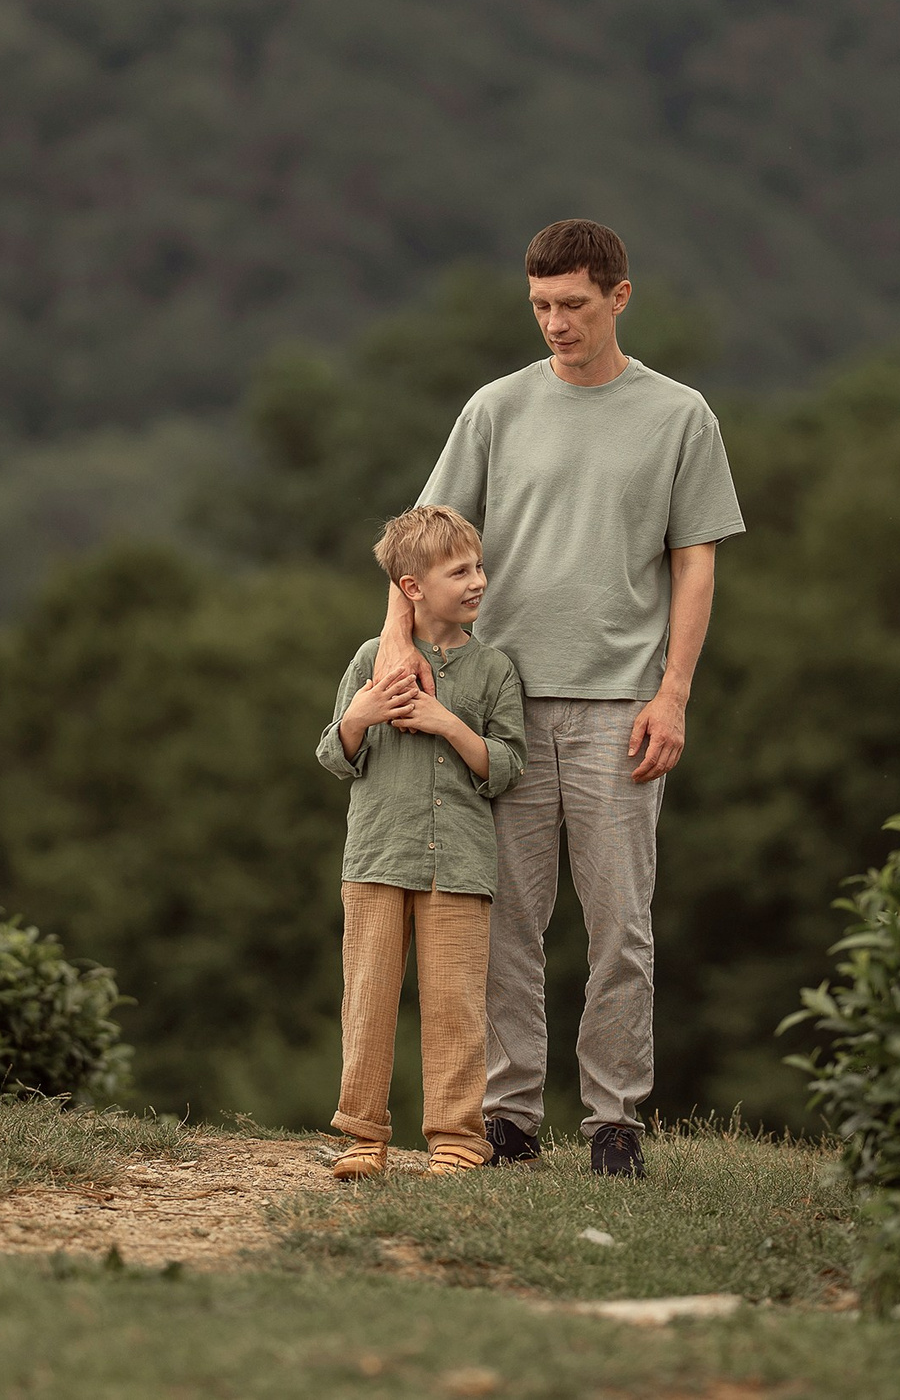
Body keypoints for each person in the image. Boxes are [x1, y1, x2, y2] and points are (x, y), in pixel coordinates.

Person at [374, 218, 743, 1179]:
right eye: (540, 305)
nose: (554, 323)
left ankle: (615, 1122)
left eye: (572, 304)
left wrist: (674, 693)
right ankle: (508, 1119)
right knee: (505, 924)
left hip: (624, 707)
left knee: (621, 925)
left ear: (619, 297)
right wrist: (396, 640)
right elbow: (419, 540)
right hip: (499, 707)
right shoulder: (495, 408)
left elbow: (695, 565)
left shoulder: (680, 416)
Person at [314, 505, 527, 1178]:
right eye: (459, 571)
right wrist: (360, 715)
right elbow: (334, 754)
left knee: (456, 1007)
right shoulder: (370, 659)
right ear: (412, 587)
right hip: (376, 858)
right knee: (368, 998)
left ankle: (457, 1139)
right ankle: (362, 1137)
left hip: (460, 865)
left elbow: (508, 767)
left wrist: (446, 722)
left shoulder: (495, 670)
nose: (478, 581)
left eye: (478, 567)